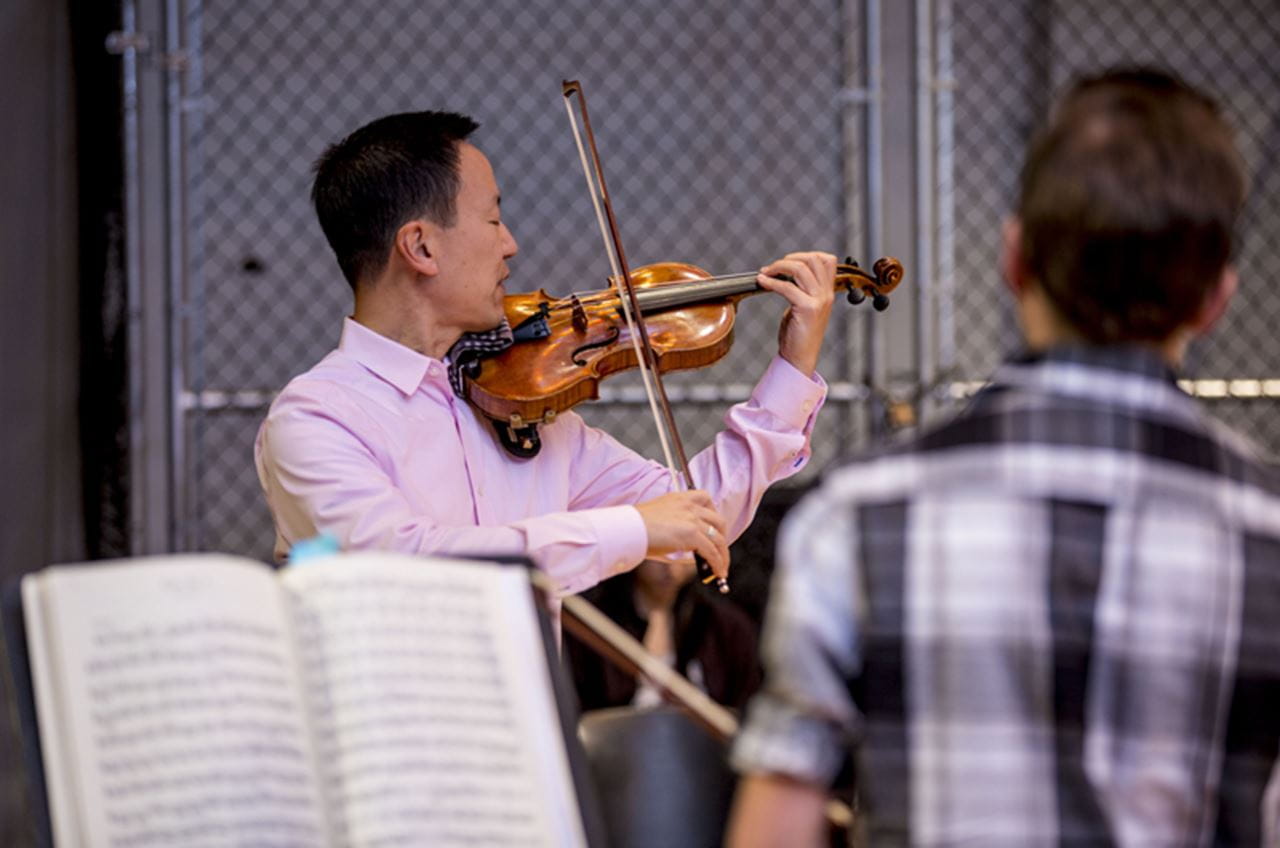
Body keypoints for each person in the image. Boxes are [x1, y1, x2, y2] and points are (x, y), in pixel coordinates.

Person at [727, 68, 1278, 845]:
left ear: (1013, 260)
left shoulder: (855, 517)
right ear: (1216, 298)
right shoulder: (1266, 531)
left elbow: (774, 829)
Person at [255, 110, 836, 604]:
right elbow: (407, 566)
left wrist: (792, 366)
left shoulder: (517, 410)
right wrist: (628, 530)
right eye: (493, 218)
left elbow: (700, 515)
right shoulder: (316, 418)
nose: (511, 244)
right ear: (421, 246)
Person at [565, 556, 763, 712]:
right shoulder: (592, 621)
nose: (671, 567)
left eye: (683, 551)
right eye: (662, 551)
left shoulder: (725, 627)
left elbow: (746, 704)